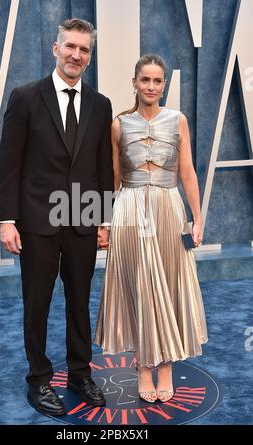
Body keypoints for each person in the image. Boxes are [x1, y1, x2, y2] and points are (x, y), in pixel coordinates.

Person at [0, 18, 114, 417]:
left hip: (82, 220)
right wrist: (6, 219)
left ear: (89, 56)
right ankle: (39, 379)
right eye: (70, 47)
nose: (76, 55)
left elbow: (102, 167)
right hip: (36, 223)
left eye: (84, 50)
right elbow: (9, 164)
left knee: (80, 302)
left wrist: (104, 220)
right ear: (55, 48)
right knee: (38, 302)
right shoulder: (26, 97)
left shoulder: (100, 104)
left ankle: (80, 374)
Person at [94, 54, 208, 404]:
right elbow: (112, 177)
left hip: (168, 208)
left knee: (171, 282)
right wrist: (104, 220)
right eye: (145, 80)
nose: (151, 87)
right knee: (139, 285)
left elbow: (187, 171)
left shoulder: (178, 120)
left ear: (163, 85)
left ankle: (167, 366)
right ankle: (143, 366)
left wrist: (197, 216)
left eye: (158, 81)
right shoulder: (118, 124)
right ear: (134, 82)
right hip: (129, 208)